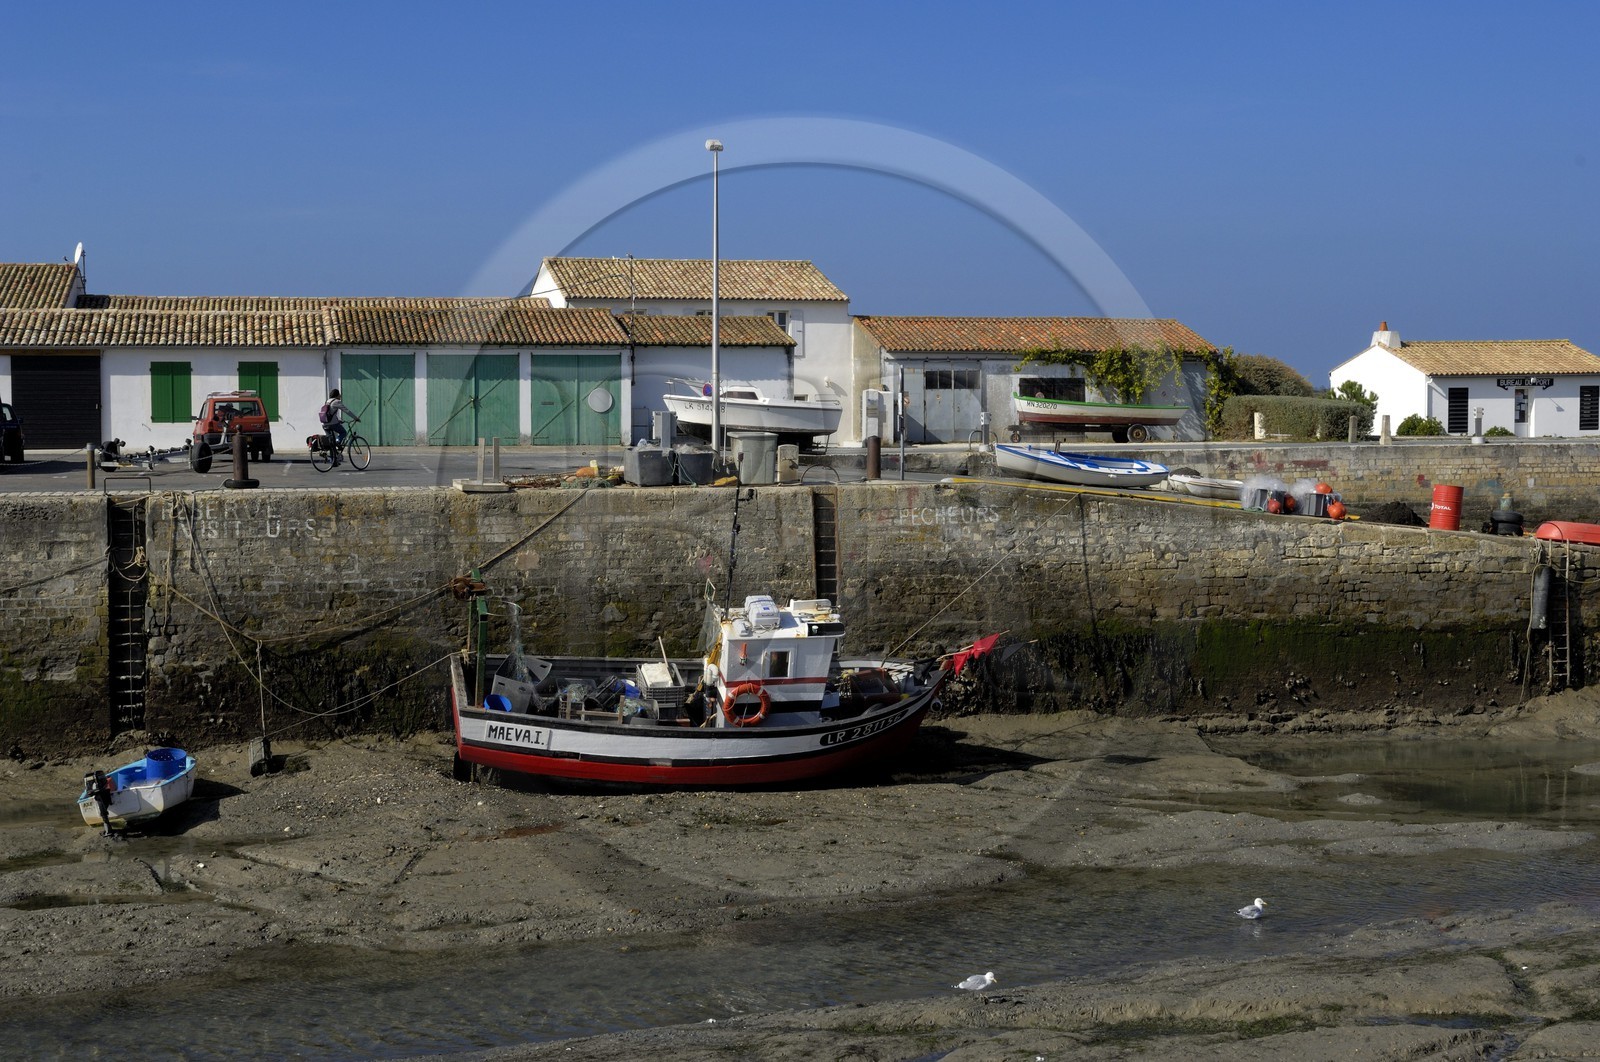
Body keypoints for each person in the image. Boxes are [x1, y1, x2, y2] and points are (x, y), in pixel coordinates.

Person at [319, 389, 358, 465]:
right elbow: (346, 410)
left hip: (325, 424)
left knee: (331, 442)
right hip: (332, 424)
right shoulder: (336, 402)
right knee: (343, 432)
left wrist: (339, 420)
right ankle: (337, 442)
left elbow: (331, 414)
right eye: (339, 394)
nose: (340, 395)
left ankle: (333, 461)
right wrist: (355, 418)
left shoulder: (328, 401)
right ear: (336, 395)